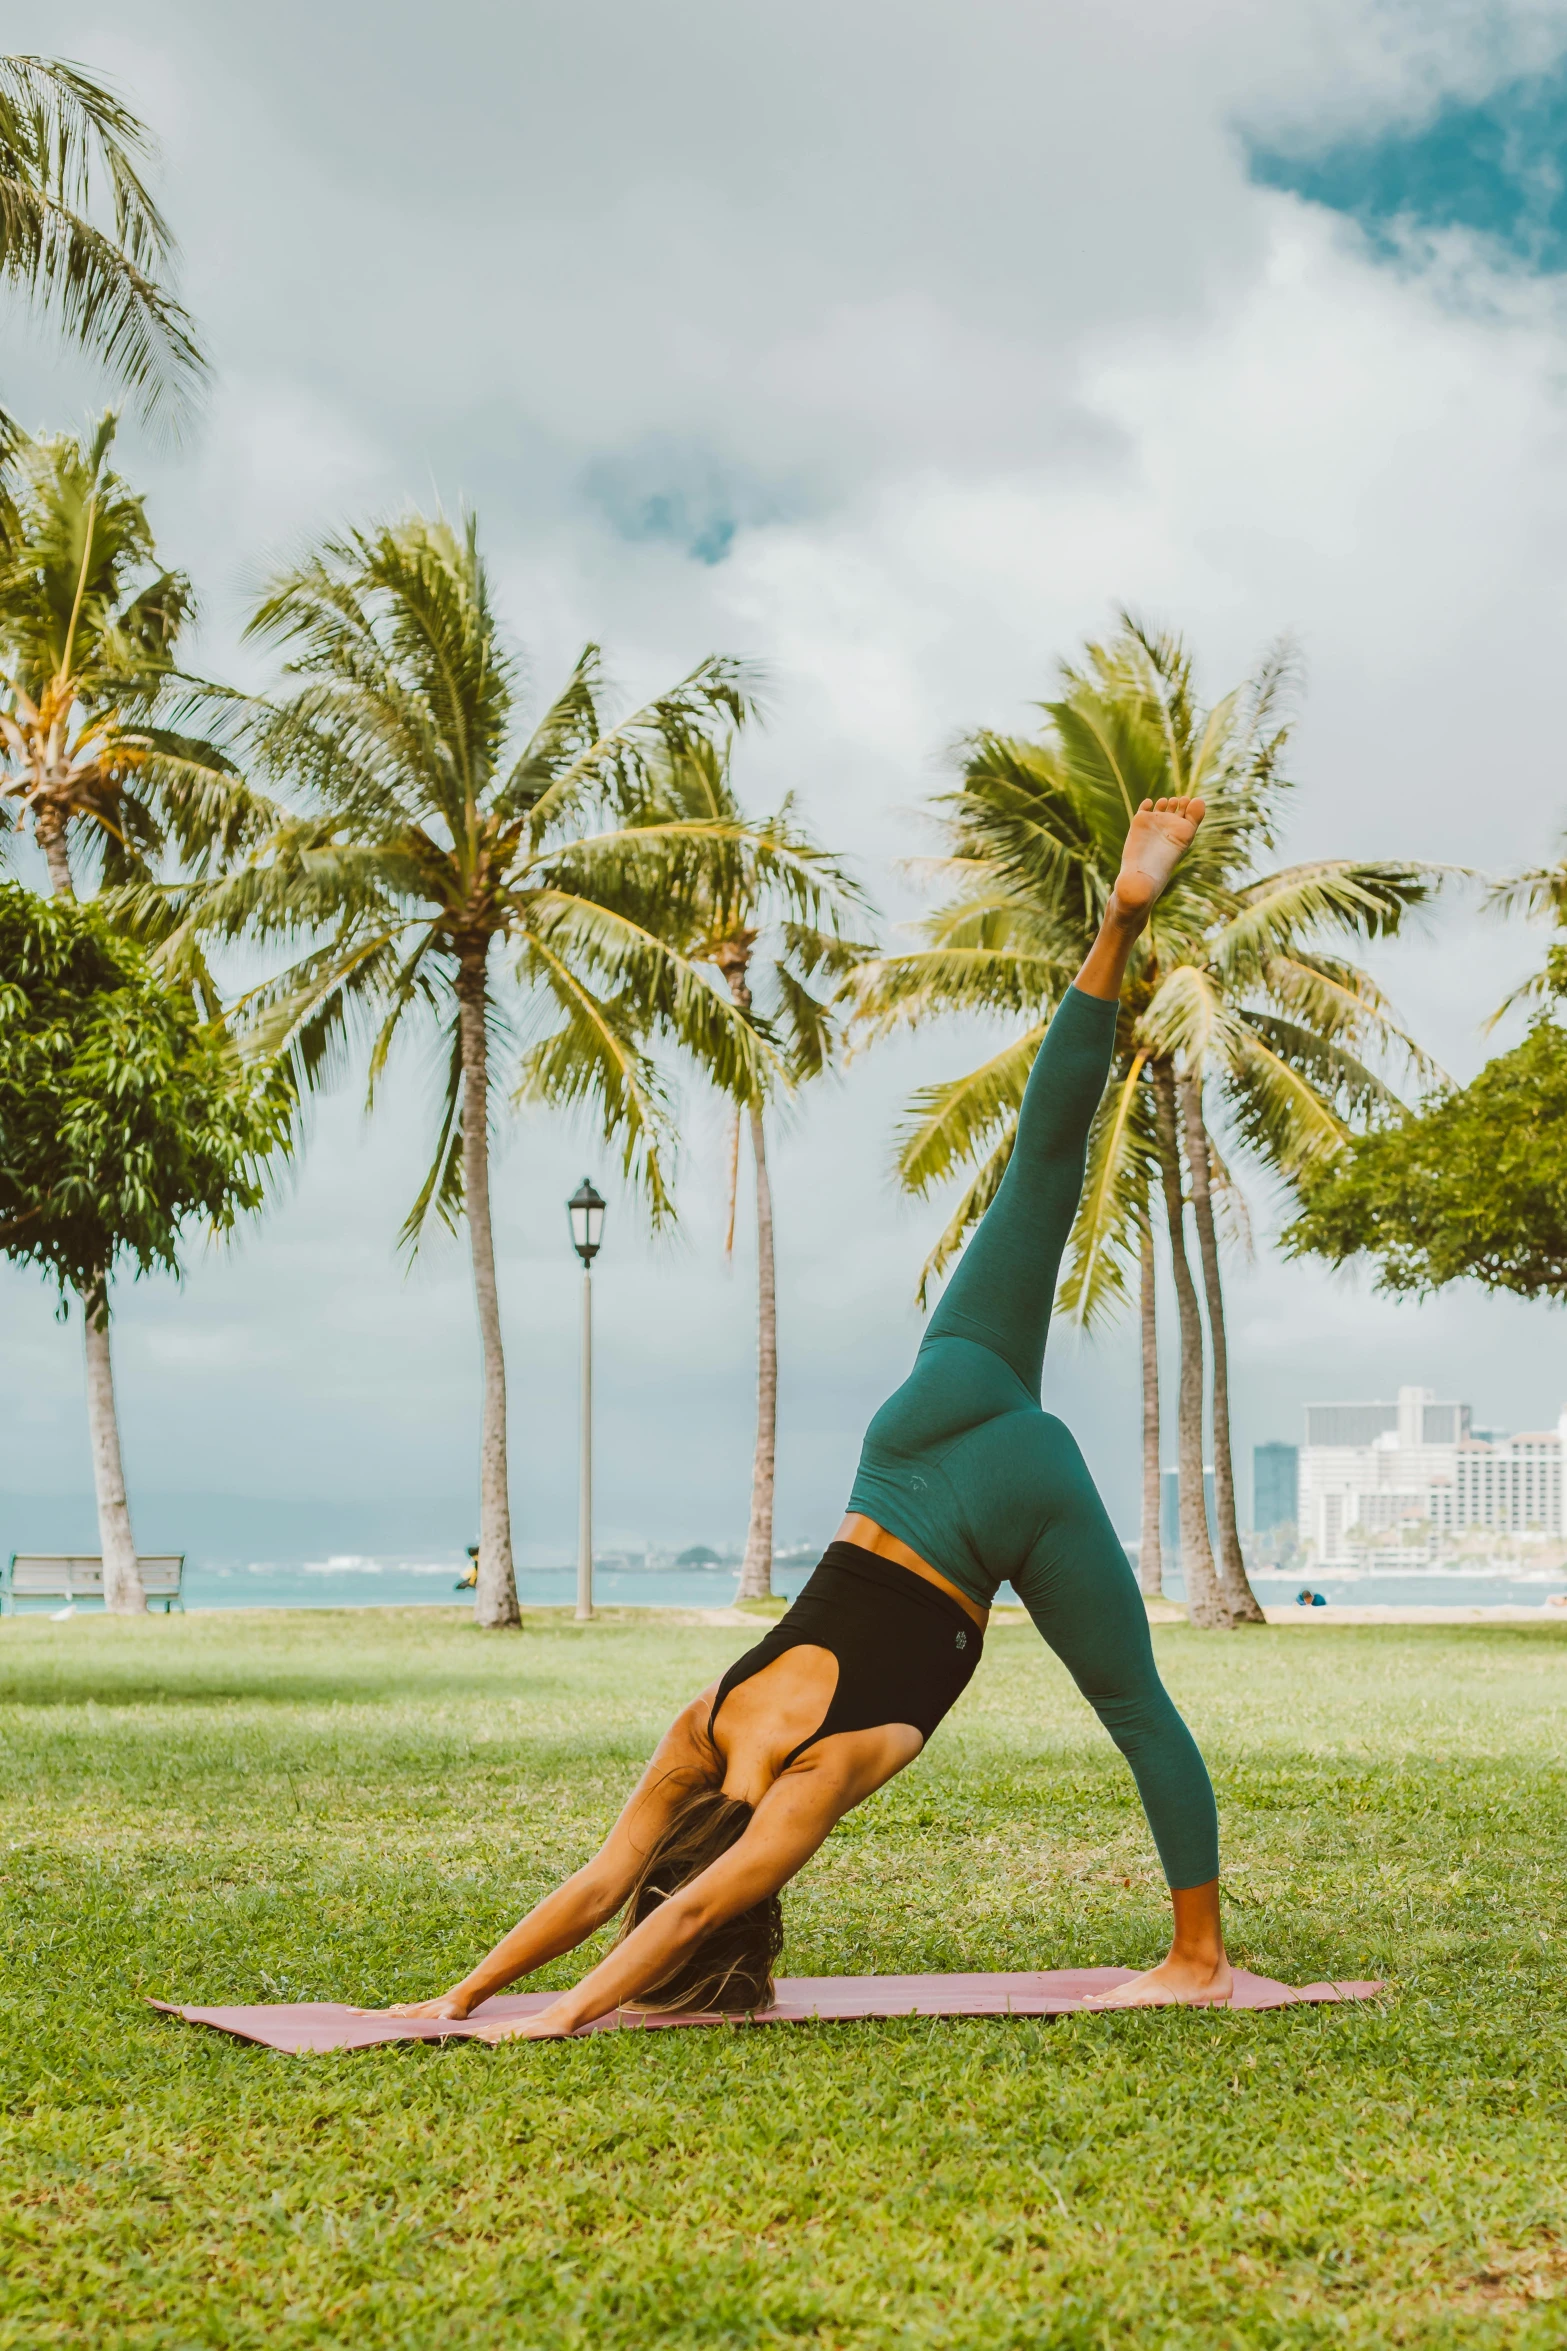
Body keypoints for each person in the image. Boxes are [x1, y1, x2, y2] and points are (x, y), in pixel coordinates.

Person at [381, 797, 1230, 2041]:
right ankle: (1119, 916)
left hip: (1003, 1506)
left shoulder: (812, 1783)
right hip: (916, 1433)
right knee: (1040, 1167)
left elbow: (662, 1908)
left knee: (1140, 1706)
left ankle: (1199, 1956)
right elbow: (622, 1889)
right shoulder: (701, 1722)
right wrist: (462, 1996)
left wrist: (542, 2017)